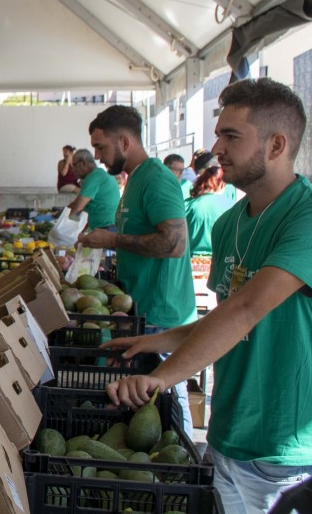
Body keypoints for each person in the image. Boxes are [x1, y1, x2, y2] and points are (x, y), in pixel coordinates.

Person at [105, 79, 312, 512]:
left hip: (291, 451)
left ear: (276, 145)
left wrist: (164, 377)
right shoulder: (229, 223)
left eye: (231, 136)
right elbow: (226, 319)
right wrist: (157, 343)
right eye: (219, 133)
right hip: (229, 437)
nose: (216, 146)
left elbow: (247, 310)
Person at [78, 105, 195, 435]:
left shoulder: (156, 179)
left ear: (125, 141)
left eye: (101, 147)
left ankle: (183, 463)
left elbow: (175, 244)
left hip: (162, 311)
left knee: (168, 399)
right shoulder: (135, 180)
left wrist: (112, 239)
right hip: (141, 308)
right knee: (150, 403)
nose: (98, 157)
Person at [184, 154, 234, 257]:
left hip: (190, 261)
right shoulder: (232, 206)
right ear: (221, 183)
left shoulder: (187, 205)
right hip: (219, 260)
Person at [66, 148, 120, 232]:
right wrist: (61, 212)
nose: (73, 170)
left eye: (74, 166)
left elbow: (77, 208)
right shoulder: (99, 174)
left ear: (83, 163)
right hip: (109, 226)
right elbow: (78, 202)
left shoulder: (93, 177)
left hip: (106, 229)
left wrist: (63, 223)